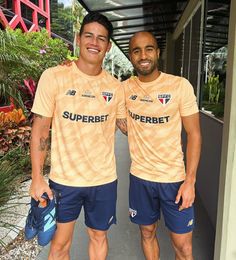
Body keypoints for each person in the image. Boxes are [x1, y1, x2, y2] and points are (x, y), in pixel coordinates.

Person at [29, 12, 126, 260]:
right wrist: (37, 178)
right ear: (78, 38)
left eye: (101, 38)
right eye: (89, 36)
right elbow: (40, 130)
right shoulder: (54, 77)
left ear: (108, 46)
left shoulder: (116, 87)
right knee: (59, 245)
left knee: (99, 237)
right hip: (65, 180)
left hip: (104, 180)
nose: (94, 42)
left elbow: (125, 125)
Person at [122, 31, 202, 260]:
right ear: (131, 57)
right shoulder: (125, 89)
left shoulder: (179, 86)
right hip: (140, 178)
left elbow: (194, 134)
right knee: (147, 233)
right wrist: (72, 67)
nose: (143, 55)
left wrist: (190, 181)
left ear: (157, 53)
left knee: (183, 247)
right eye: (136, 50)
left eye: (148, 48)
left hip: (174, 180)